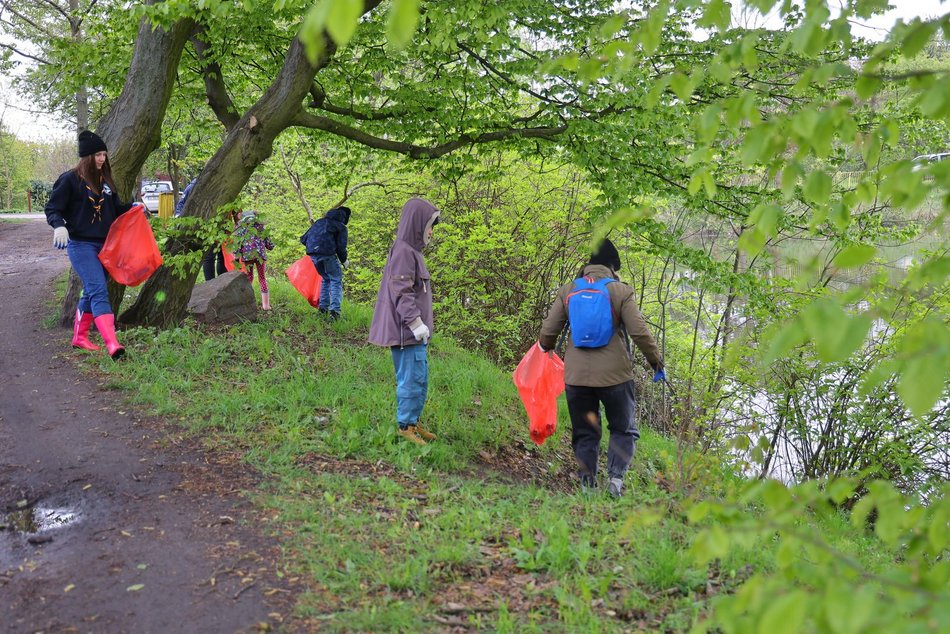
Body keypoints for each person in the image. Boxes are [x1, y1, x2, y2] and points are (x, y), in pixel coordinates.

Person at [538, 238, 665, 498]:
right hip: (615, 377)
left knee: (585, 431)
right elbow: (639, 333)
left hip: (576, 378)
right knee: (622, 428)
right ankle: (615, 481)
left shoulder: (568, 290)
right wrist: (656, 362)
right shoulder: (620, 291)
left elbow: (548, 333)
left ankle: (587, 484)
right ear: (612, 265)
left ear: (588, 264)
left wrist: (544, 348)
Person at [44, 130, 138, 360]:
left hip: (106, 247)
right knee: (98, 290)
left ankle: (80, 337)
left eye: (104, 154)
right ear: (86, 156)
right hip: (81, 246)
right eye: (97, 154)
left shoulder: (105, 182)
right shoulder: (69, 180)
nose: (102, 159)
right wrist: (59, 225)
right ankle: (113, 344)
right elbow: (52, 208)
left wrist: (133, 207)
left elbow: (115, 210)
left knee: (91, 292)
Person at [368, 198, 441, 445]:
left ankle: (413, 420)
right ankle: (405, 427)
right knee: (411, 378)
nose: (431, 231)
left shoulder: (412, 252)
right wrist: (415, 323)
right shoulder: (403, 251)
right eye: (430, 225)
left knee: (419, 376)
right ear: (418, 223)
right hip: (406, 333)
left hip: (413, 334)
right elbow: (401, 289)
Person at [300, 206, 351, 319]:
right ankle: (335, 312)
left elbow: (303, 239)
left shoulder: (319, 222)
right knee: (335, 279)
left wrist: (316, 248)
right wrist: (344, 261)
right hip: (328, 255)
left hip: (314, 255)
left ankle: (323, 309)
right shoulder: (341, 227)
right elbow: (341, 248)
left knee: (326, 279)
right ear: (345, 218)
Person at [232, 210, 275, 310]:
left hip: (248, 257)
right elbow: (269, 243)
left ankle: (247, 302)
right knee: (262, 278)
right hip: (260, 256)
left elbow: (237, 246)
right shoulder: (260, 228)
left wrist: (236, 258)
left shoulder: (241, 230)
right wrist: (271, 246)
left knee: (249, 277)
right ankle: (266, 305)